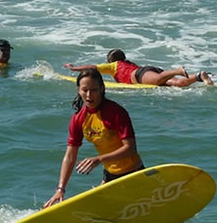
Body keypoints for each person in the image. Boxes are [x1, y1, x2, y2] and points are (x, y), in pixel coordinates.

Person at [43, 69, 144, 208]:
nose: (89, 95)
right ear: (79, 90)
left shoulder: (115, 112)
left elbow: (130, 149)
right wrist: (60, 189)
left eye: (94, 90)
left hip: (133, 174)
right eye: (85, 90)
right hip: (110, 175)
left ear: (102, 89)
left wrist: (99, 159)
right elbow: (70, 156)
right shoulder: (79, 119)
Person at [64, 48, 213, 87]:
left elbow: (92, 67)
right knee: (179, 84)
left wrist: (75, 68)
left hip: (141, 75)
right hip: (147, 71)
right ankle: (199, 76)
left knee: (158, 80)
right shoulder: (128, 63)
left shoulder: (113, 66)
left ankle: (178, 70)